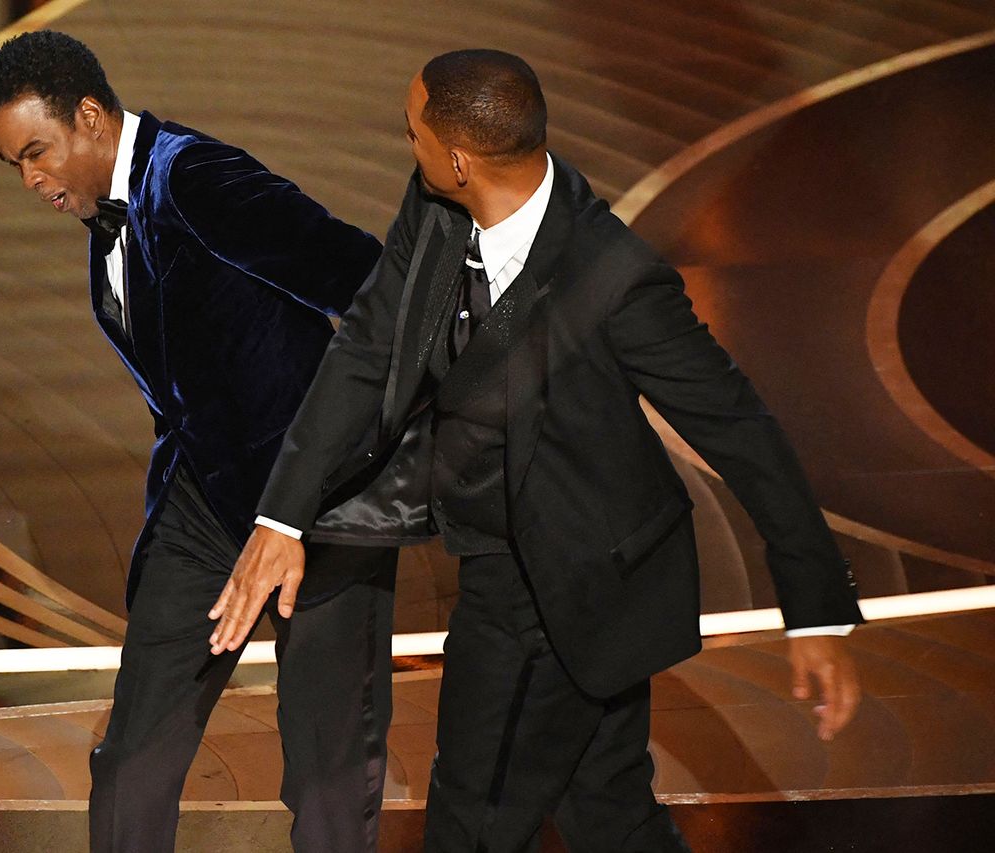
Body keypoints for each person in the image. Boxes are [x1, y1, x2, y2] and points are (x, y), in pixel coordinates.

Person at [211, 49, 864, 851]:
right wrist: (282, 516)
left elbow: (739, 426)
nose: (405, 147)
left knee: (472, 823)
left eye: (411, 134)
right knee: (611, 814)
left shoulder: (616, 279)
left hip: (573, 579)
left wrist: (817, 610)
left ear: (458, 159)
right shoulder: (436, 206)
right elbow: (369, 346)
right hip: (513, 553)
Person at [0, 30, 403, 853]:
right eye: (13, 164)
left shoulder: (196, 180)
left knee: (326, 772)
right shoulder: (106, 218)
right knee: (134, 752)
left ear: (92, 117)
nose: (30, 180)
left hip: (319, 507)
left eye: (37, 152)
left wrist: (350, 460)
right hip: (203, 505)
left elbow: (362, 277)